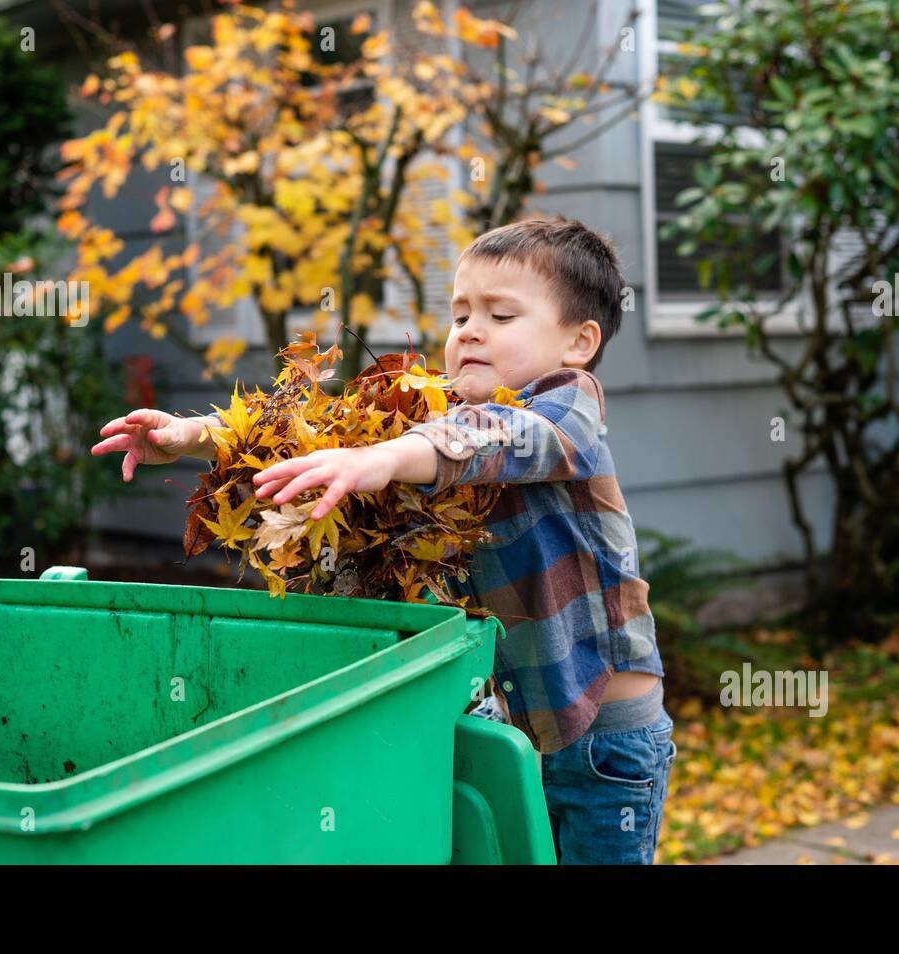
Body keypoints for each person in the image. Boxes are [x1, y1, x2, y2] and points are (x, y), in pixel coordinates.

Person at [92, 216, 676, 864]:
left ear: (579, 341)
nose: (470, 331)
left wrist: (388, 458)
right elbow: (319, 429)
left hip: (609, 747)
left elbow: (500, 440)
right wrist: (198, 435)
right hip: (521, 736)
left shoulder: (571, 408)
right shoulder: (435, 417)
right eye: (459, 316)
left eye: (501, 315)